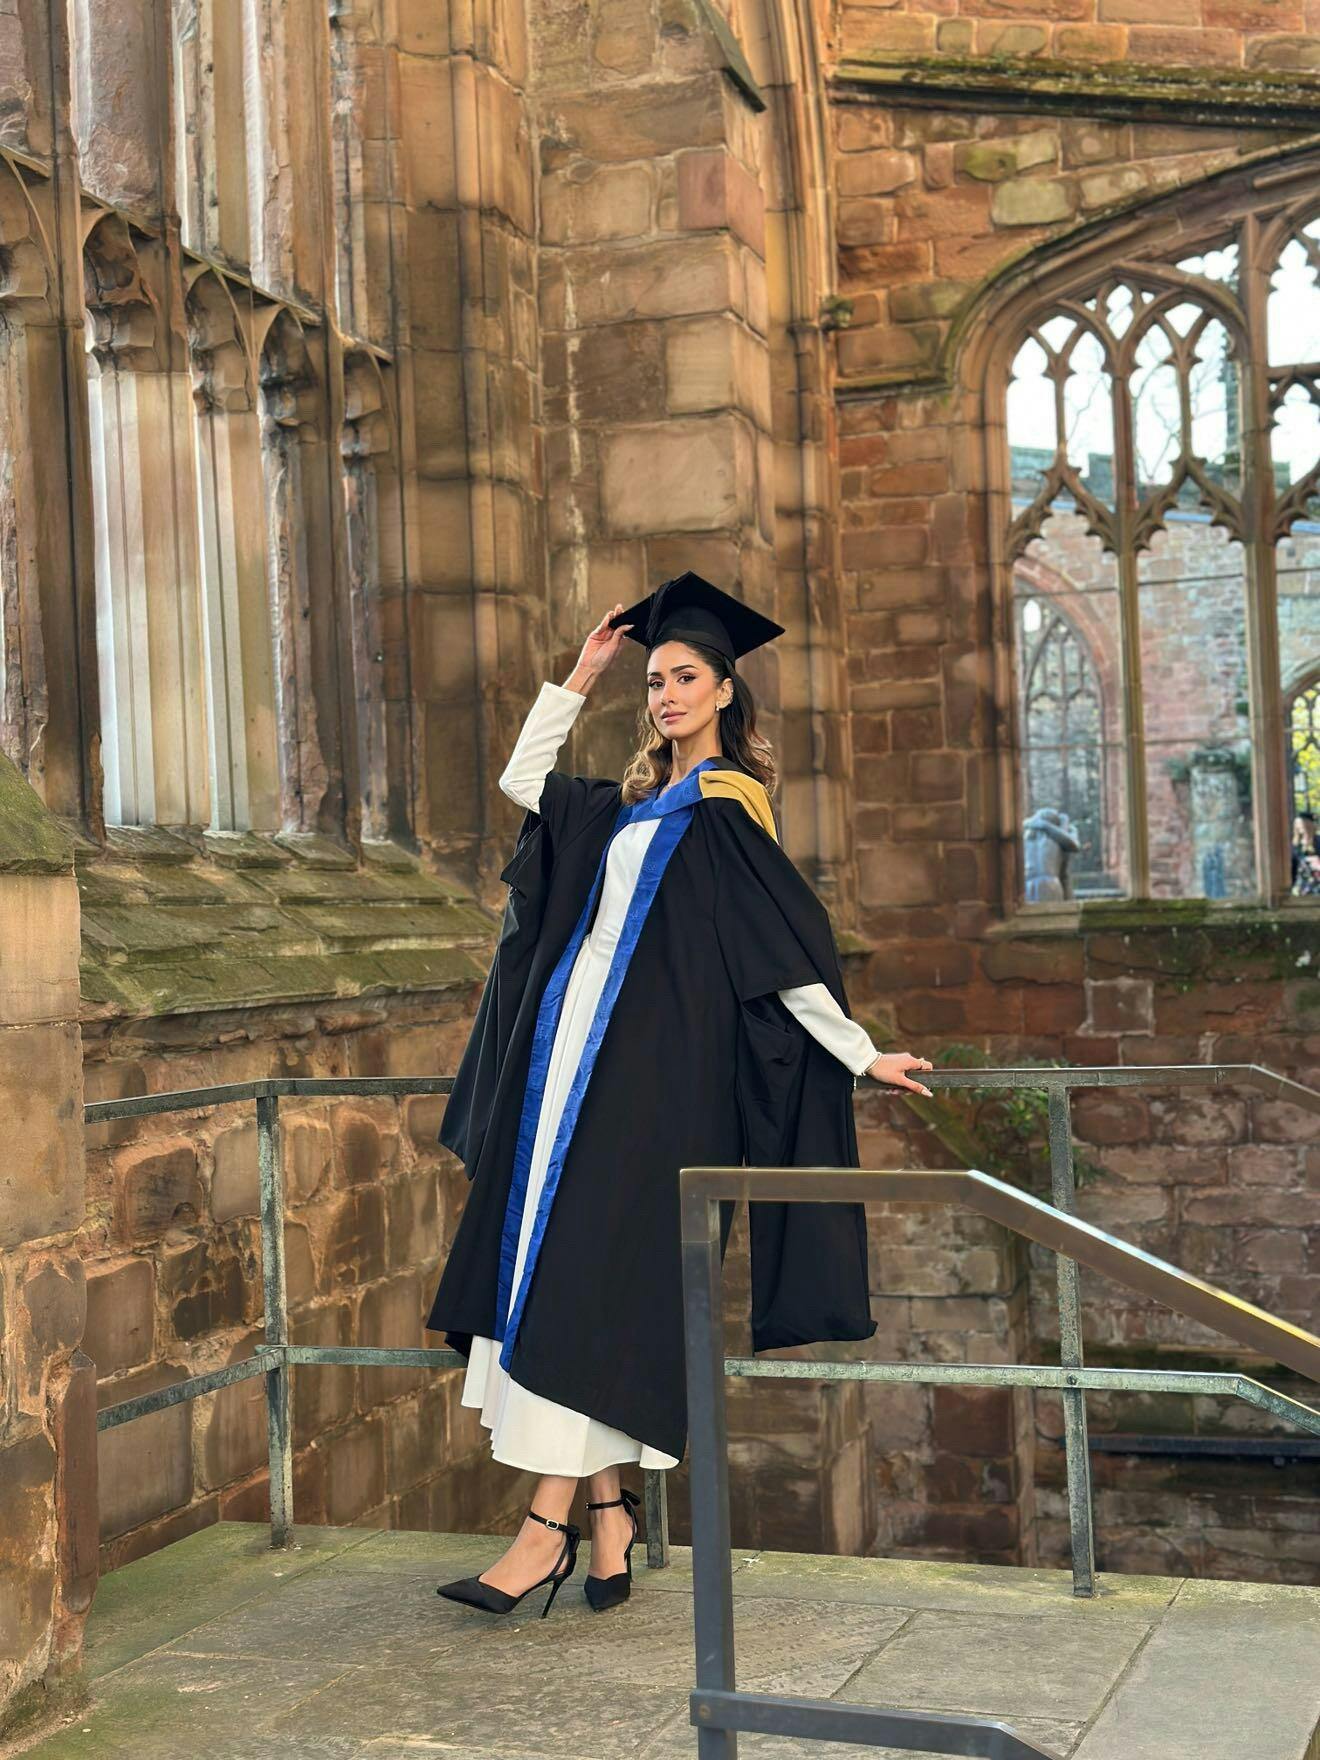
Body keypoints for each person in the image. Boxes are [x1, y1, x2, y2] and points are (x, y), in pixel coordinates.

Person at [425, 571, 933, 1619]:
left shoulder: (728, 810)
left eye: (685, 677)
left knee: (585, 1282)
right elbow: (523, 780)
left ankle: (543, 1533)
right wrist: (581, 675)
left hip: (652, 1087)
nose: (665, 696)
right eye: (655, 681)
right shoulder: (628, 804)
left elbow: (783, 952)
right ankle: (609, 1523)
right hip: (566, 1067)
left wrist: (856, 1052)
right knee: (564, 1275)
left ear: (725, 691)